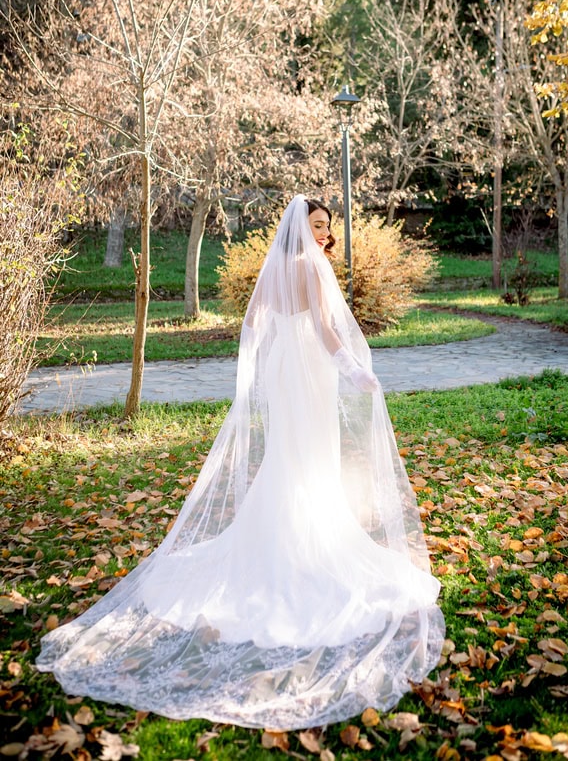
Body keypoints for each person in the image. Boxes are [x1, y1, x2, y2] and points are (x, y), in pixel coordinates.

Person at [36, 195, 445, 731]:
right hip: (310, 370)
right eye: (317, 225)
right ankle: (306, 542)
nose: (323, 235)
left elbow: (252, 322)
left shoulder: (273, 268)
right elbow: (324, 329)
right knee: (306, 457)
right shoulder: (313, 267)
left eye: (326, 227)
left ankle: (281, 532)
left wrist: (259, 368)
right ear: (303, 227)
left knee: (287, 455)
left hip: (281, 369)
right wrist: (353, 370)